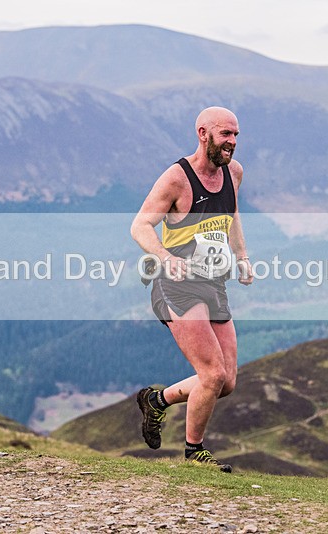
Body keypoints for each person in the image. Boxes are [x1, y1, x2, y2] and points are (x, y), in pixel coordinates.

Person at [130, 107, 253, 472]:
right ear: (203, 134)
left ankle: (157, 400)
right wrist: (165, 257)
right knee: (211, 374)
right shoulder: (177, 178)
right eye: (225, 134)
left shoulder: (235, 173)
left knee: (226, 381)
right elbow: (140, 226)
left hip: (213, 284)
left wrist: (242, 256)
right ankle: (194, 452)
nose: (231, 142)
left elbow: (231, 215)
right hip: (177, 286)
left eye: (235, 135)